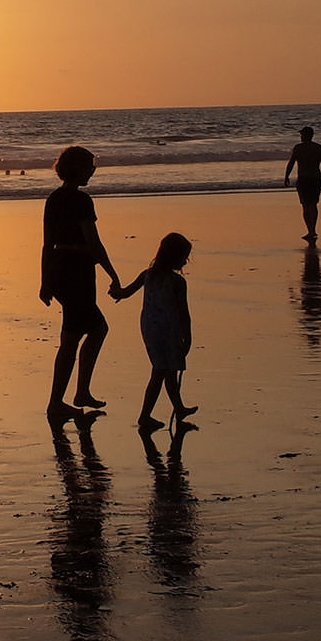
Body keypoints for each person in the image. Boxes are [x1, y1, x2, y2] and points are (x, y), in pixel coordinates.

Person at [39, 146, 123, 419]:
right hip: (78, 272)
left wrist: (45, 281)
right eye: (90, 166)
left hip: (60, 271)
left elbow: (47, 244)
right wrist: (113, 273)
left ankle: (73, 395)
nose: (93, 170)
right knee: (88, 332)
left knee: (80, 334)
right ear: (77, 169)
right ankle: (63, 399)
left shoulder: (53, 199)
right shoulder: (81, 201)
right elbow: (93, 241)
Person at [114, 232, 198, 432]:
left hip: (150, 329)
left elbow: (125, 293)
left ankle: (178, 408)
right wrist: (188, 338)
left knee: (166, 370)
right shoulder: (178, 283)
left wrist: (116, 291)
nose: (185, 262)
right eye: (184, 257)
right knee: (162, 371)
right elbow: (184, 313)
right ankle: (145, 415)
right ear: (174, 257)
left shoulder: (148, 275)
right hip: (168, 330)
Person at [283, 126, 321, 243]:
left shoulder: (299, 148)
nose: (300, 137)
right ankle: (312, 230)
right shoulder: (318, 148)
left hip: (304, 179)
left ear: (304, 136)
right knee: (313, 205)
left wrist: (286, 176)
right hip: (315, 179)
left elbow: (291, 163)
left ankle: (310, 230)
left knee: (305, 205)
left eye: (301, 135)